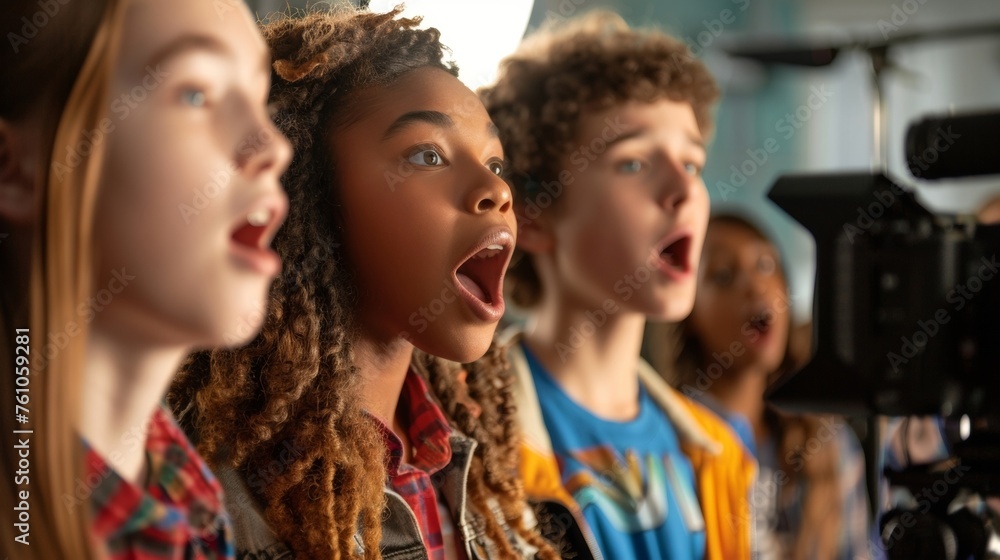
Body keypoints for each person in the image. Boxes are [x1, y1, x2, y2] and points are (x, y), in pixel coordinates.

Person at [168, 8, 557, 559]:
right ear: (305, 196)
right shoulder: (206, 502)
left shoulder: (484, 472)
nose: (495, 191)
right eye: (428, 155)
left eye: (495, 162)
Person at [0, 0, 291, 557]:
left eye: (259, 100)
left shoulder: (195, 511)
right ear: (12, 170)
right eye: (195, 92)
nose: (274, 148)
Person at [479, 11, 756, 560]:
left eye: (693, 164)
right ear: (532, 213)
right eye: (633, 163)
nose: (683, 191)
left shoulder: (718, 451)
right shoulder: (471, 439)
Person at [664, 213, 871, 559]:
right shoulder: (672, 441)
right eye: (724, 276)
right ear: (689, 314)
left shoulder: (831, 443)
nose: (755, 286)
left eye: (765, 264)